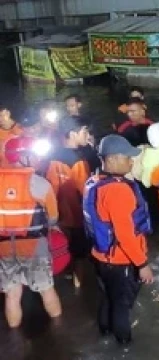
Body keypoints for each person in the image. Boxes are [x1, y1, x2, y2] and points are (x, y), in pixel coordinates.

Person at [84, 134, 154, 345]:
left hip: (100, 255)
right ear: (112, 159)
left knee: (108, 298)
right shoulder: (118, 190)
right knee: (122, 305)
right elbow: (125, 234)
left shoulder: (94, 180)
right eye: (128, 157)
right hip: (120, 259)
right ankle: (124, 346)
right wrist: (142, 264)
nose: (132, 161)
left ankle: (104, 334)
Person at [0, 136, 61, 327]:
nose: (37, 158)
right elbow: (53, 218)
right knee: (46, 289)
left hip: (2, 248)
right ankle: (60, 336)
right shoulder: (40, 184)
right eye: (33, 154)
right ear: (23, 156)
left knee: (12, 294)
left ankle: (14, 340)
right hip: (34, 247)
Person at [45, 116, 91, 288]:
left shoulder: (53, 155)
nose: (87, 135)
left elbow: (50, 185)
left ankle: (64, 275)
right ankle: (78, 286)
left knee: (62, 248)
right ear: (73, 134)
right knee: (79, 254)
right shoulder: (78, 161)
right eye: (84, 131)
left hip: (58, 214)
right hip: (77, 215)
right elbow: (84, 191)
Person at [64, 95, 101, 173]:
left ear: (79, 105)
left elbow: (92, 136)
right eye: (67, 106)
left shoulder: (87, 119)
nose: (69, 108)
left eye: (72, 106)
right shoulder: (63, 121)